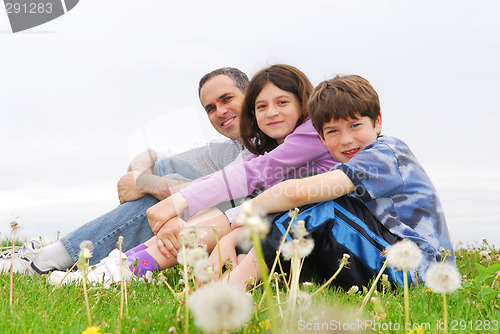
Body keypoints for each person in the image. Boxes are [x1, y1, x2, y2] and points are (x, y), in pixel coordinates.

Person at [49, 64, 339, 285]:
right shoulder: (257, 147)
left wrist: (178, 201)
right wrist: (160, 188)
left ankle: (109, 267)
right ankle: (119, 267)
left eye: (282, 103)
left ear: (303, 102)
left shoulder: (312, 132)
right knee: (203, 216)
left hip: (307, 224)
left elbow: (252, 176)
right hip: (269, 217)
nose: (270, 112)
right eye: (262, 106)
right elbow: (156, 157)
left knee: (206, 219)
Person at [0, 67, 250, 274]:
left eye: (226, 99)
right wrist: (143, 178)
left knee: (167, 189)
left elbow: (224, 192)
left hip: (240, 233)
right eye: (210, 108)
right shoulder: (224, 150)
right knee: (166, 175)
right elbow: (149, 156)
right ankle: (69, 259)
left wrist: (148, 186)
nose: (220, 112)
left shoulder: (266, 150)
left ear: (249, 94)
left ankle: (48, 260)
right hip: (211, 223)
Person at [220, 74, 454, 291]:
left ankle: (232, 288)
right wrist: (233, 238)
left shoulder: (387, 153)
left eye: (355, 125)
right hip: (381, 257)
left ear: (377, 121)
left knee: (322, 209)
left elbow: (293, 193)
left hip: (418, 270)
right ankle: (239, 272)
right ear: (321, 137)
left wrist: (245, 212)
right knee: (297, 214)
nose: (346, 139)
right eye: (333, 131)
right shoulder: (348, 167)